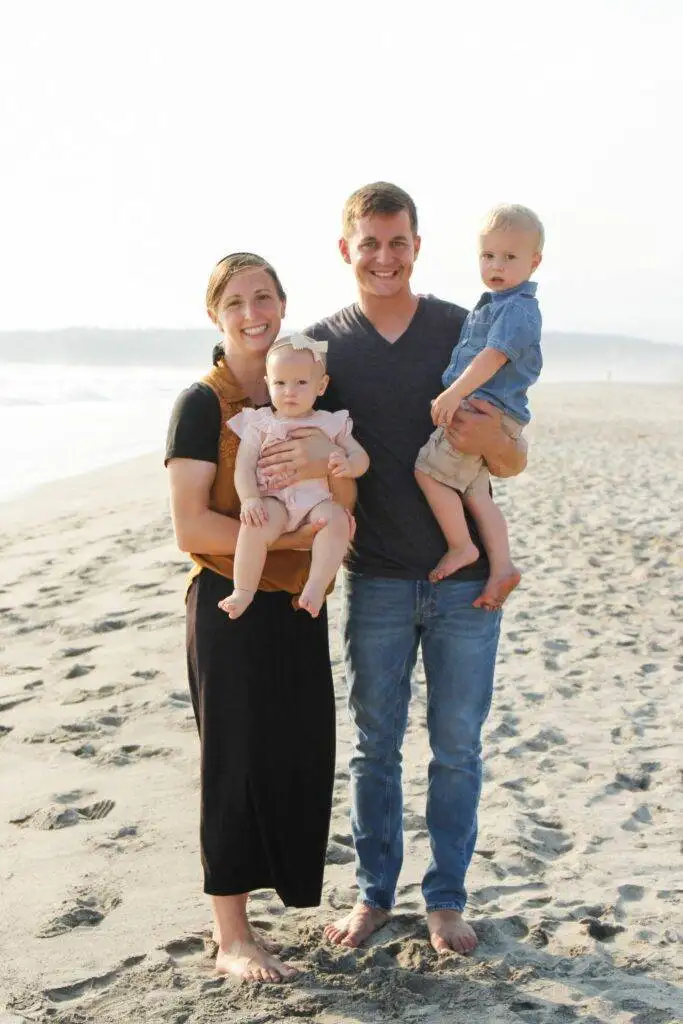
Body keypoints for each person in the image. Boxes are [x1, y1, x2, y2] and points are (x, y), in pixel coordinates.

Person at [256, 183, 527, 956]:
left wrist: (496, 443)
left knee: (457, 747)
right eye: (368, 243)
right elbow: (292, 447)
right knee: (376, 746)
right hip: (373, 577)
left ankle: (444, 900)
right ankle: (374, 894)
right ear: (346, 249)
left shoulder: (458, 327)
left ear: (416, 245)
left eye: (397, 242)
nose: (383, 257)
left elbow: (511, 457)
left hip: (465, 585)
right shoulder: (317, 350)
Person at [165, 252, 354, 983]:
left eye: (265, 297)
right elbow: (190, 527)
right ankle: (231, 934)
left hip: (300, 600)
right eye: (236, 301)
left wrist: (321, 528)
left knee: (297, 755)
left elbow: (346, 506)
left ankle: (274, 905)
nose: (253, 312)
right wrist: (292, 536)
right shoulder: (202, 404)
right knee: (233, 763)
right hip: (228, 604)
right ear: (216, 316)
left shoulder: (303, 399)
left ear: (282, 303)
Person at [415, 204, 543, 609]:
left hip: (481, 410)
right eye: (488, 256)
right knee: (475, 493)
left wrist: (454, 394)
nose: (496, 265)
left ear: (534, 262)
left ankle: (462, 546)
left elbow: (494, 355)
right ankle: (502, 565)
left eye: (509, 257)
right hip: (491, 412)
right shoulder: (492, 304)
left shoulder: (516, 308)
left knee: (428, 472)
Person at [218, 334, 369, 620]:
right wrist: (250, 499)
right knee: (253, 525)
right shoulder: (260, 423)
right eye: (280, 383)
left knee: (337, 519)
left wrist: (348, 465)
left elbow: (360, 456)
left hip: (316, 503)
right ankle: (243, 590)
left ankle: (315, 586)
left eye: (301, 383)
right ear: (268, 383)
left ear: (321, 385)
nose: (290, 391)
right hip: (274, 500)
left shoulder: (330, 422)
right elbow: (244, 467)